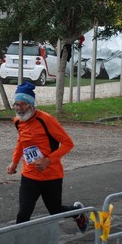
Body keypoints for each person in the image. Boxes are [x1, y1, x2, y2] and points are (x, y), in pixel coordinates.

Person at [7, 81, 89, 233]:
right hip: (29, 175)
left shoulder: (46, 120)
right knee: (23, 213)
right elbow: (21, 142)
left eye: (23, 104)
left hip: (51, 175)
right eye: (16, 104)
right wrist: (14, 163)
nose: (19, 108)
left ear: (31, 105)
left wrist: (48, 160)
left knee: (55, 211)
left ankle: (77, 212)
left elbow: (67, 143)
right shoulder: (18, 121)